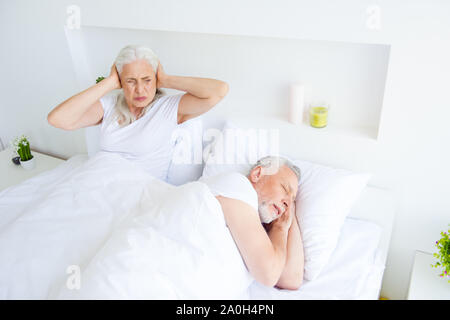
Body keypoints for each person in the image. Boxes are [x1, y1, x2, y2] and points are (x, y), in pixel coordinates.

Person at [47, 45, 228, 181]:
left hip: (140, 192)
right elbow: (58, 120)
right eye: (131, 81)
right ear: (120, 81)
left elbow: (219, 90)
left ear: (155, 78)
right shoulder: (109, 106)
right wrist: (108, 83)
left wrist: (166, 79)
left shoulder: (168, 108)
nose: (140, 90)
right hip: (100, 184)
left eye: (147, 80)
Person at [200, 156, 304, 290]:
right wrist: (279, 228)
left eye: (292, 201)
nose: (287, 205)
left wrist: (285, 219)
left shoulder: (256, 227)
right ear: (257, 174)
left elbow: (291, 279)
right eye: (284, 188)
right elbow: (269, 274)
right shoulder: (236, 185)